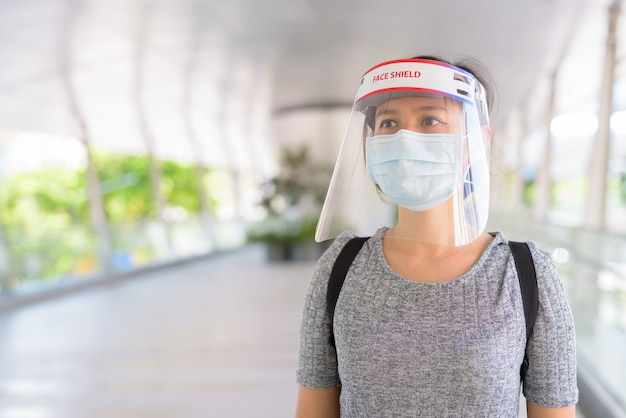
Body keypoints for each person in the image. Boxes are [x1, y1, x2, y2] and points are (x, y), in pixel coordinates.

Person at [295, 56, 578, 417]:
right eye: (389, 122)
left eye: (430, 120)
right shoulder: (341, 266)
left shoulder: (526, 275)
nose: (405, 138)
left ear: (475, 141)